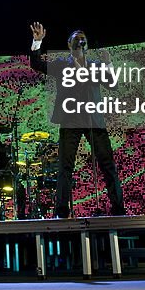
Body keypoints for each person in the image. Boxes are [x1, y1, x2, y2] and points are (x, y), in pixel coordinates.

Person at [28, 22, 126, 218]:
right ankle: (62, 211)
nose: (81, 41)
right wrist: (37, 42)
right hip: (71, 120)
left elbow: (113, 84)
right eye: (76, 38)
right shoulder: (61, 64)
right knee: (65, 166)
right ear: (69, 43)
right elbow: (36, 64)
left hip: (93, 120)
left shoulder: (96, 66)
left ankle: (118, 209)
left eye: (83, 39)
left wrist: (108, 63)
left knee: (107, 165)